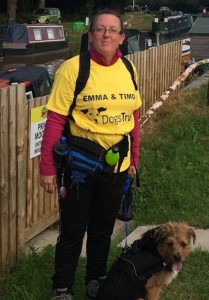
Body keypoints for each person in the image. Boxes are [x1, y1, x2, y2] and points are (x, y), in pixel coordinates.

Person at [39, 9, 142, 300]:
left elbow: (133, 117)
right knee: (72, 230)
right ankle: (62, 288)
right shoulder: (73, 69)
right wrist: (47, 166)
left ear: (122, 37)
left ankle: (96, 280)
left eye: (112, 30)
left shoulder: (129, 69)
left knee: (102, 228)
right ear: (91, 34)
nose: (106, 35)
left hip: (117, 165)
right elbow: (56, 119)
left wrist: (134, 158)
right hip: (80, 168)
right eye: (100, 29)